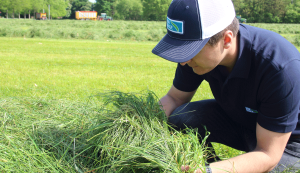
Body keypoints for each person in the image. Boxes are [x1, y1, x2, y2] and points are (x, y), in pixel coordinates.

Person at [152, 0, 300, 172]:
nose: (183, 60)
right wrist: (141, 124)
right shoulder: (195, 58)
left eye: (190, 50)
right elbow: (174, 98)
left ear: (227, 39)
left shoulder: (279, 68)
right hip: (241, 121)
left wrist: (206, 171)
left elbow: (268, 154)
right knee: (181, 117)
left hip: (287, 142)